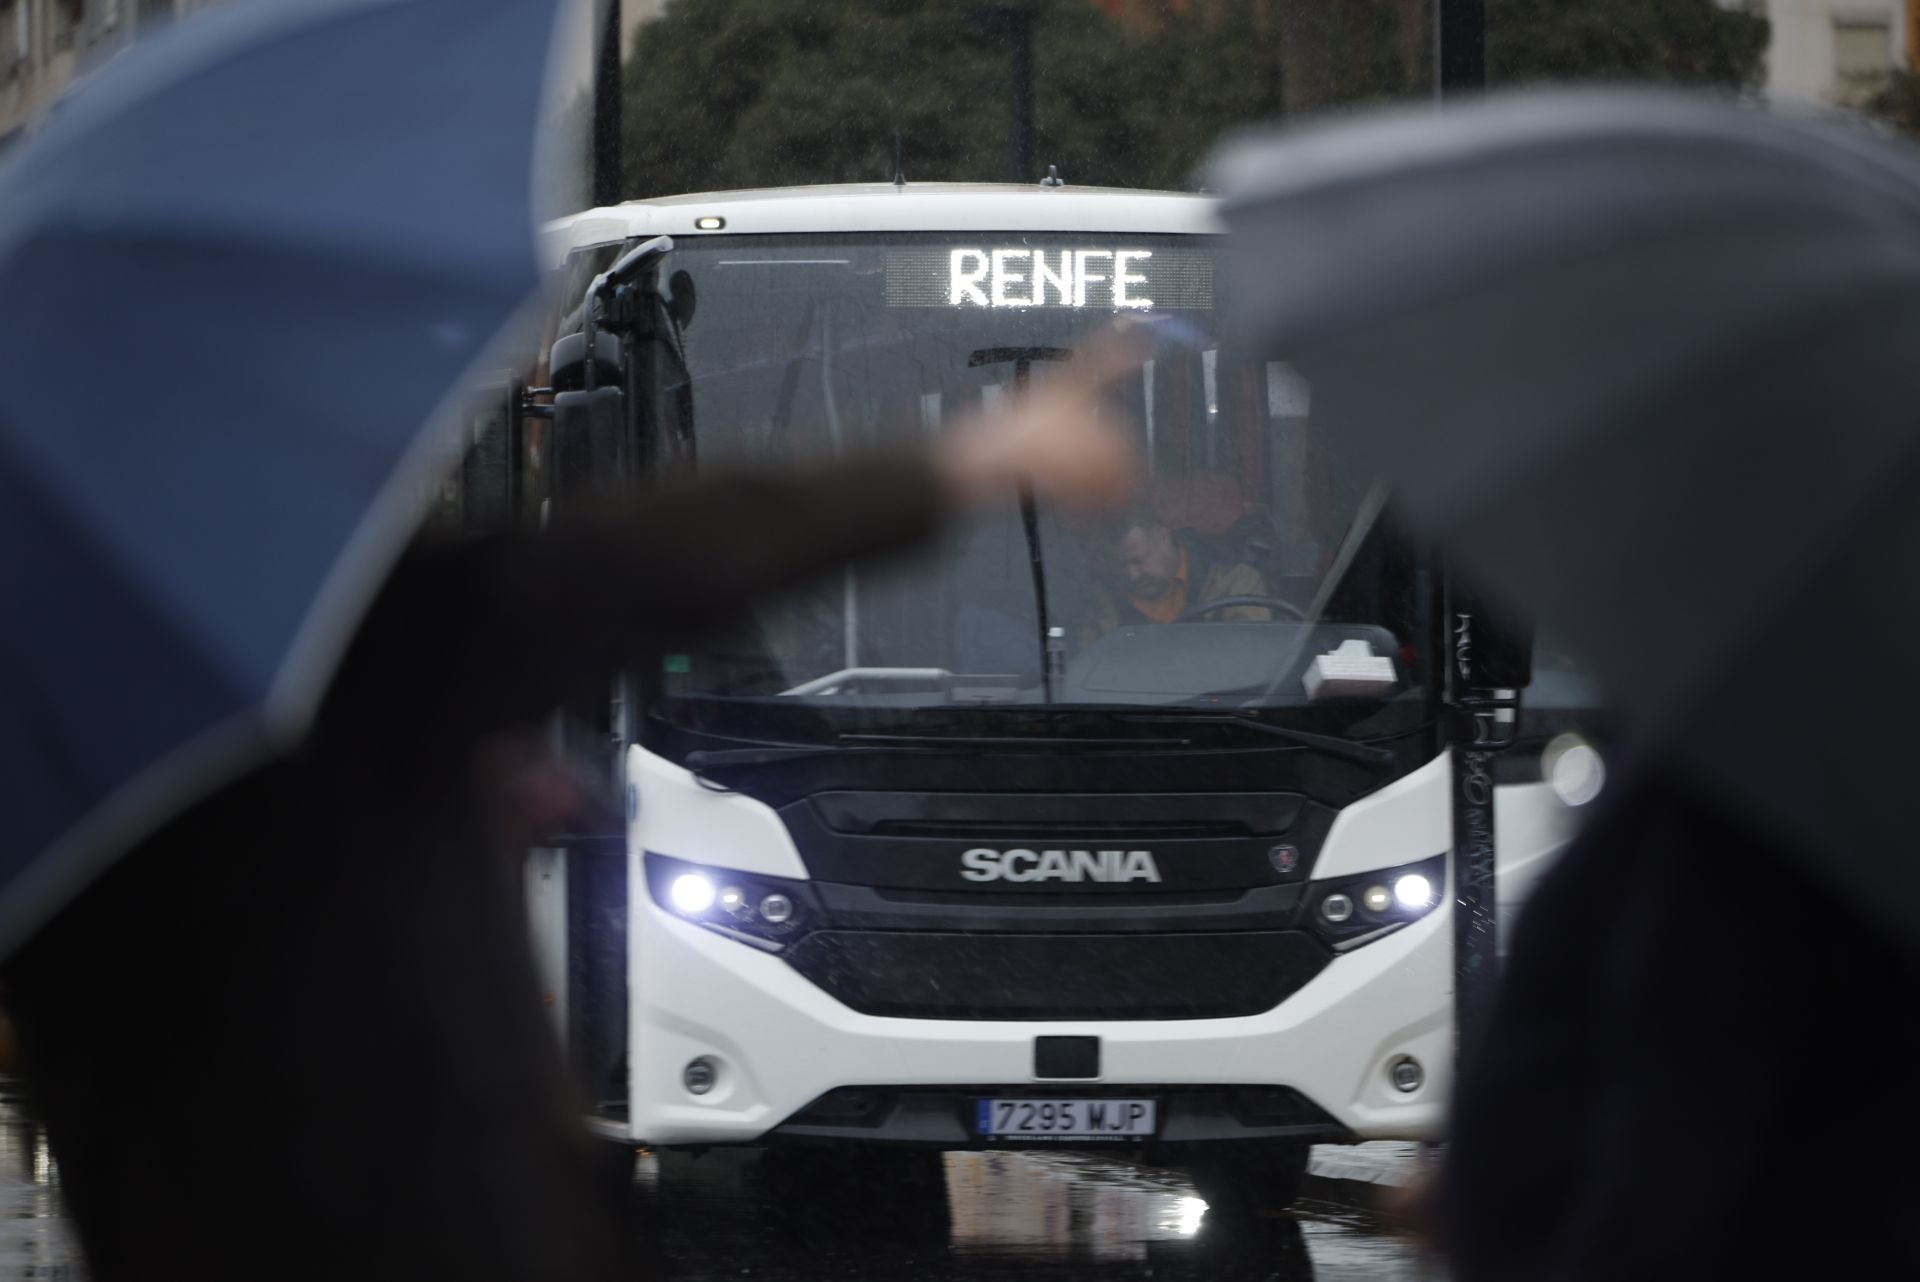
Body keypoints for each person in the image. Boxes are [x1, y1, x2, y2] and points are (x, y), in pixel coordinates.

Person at [0, 336, 1142, 1282]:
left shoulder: (61, 709)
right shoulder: (319, 629)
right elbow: (612, 566)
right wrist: (967, 461)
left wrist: (450, 777)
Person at [1085, 505, 1271, 639]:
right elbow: (1091, 660)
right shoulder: (1104, 597)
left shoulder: (1233, 577)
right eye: (1121, 566)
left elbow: (1248, 654)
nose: (1132, 576)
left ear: (1164, 536)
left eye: (1138, 561)